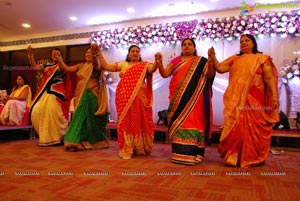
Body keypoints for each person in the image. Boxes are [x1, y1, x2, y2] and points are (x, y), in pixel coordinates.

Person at [209, 34, 279, 168]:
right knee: (236, 127)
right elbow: (221, 68)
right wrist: (213, 57)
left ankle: (252, 157)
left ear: (253, 43)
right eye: (241, 41)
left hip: (254, 99)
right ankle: (234, 156)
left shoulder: (262, 59)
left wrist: (275, 96)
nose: (244, 43)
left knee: (255, 127)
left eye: (247, 40)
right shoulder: (235, 58)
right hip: (235, 99)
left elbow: (269, 79)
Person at [155, 38, 215, 165]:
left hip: (195, 99)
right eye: (184, 44)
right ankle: (179, 153)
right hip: (176, 99)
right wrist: (159, 64)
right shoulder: (176, 61)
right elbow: (165, 74)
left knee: (193, 122)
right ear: (181, 48)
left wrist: (210, 62)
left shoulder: (201, 61)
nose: (187, 46)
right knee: (178, 122)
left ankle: (194, 153)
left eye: (190, 44)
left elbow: (209, 75)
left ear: (194, 47)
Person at [98, 45, 158, 159]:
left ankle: (138, 147)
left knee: (139, 120)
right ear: (128, 53)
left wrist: (157, 62)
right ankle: (127, 147)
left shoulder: (144, 65)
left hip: (139, 97)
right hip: (124, 97)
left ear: (139, 54)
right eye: (132, 51)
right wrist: (98, 53)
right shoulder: (123, 64)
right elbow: (106, 66)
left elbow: (152, 69)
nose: (135, 53)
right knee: (126, 121)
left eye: (137, 51)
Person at [56, 43, 109, 151]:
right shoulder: (80, 66)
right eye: (87, 53)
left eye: (91, 53)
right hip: (80, 95)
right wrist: (59, 59)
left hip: (92, 95)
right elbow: (66, 68)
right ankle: (76, 141)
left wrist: (95, 55)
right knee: (79, 119)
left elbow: (97, 66)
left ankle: (94, 141)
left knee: (91, 120)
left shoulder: (96, 64)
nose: (88, 54)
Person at [27, 45, 72, 146]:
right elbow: (34, 66)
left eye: (58, 54)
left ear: (61, 56)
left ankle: (58, 137)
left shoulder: (62, 65)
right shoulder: (46, 66)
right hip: (45, 93)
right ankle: (45, 136)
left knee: (51, 111)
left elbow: (63, 68)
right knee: (36, 110)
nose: (55, 55)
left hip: (57, 92)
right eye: (53, 54)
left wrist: (60, 60)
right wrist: (30, 55)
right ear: (51, 56)